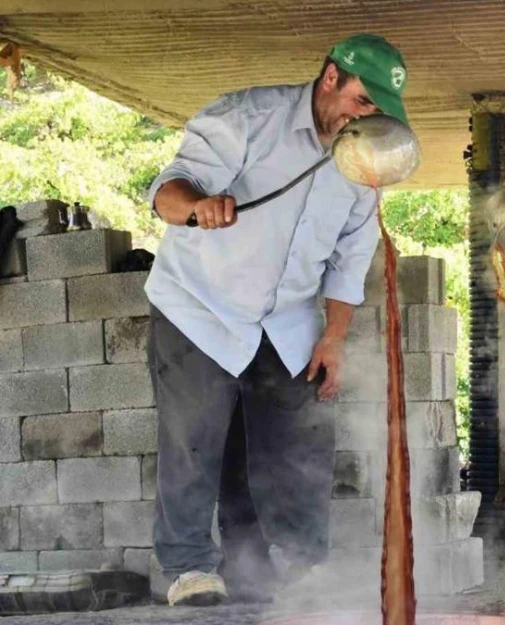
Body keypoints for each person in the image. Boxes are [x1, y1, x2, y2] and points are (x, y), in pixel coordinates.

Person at [145, 34, 409, 607]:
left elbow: (350, 256)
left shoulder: (360, 160)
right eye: (362, 102)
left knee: (297, 440)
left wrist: (334, 339)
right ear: (332, 78)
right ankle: (189, 566)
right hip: (200, 307)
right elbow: (166, 191)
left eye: (378, 111)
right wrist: (197, 206)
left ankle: (289, 567)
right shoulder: (245, 118)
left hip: (286, 321)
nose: (365, 118)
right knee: (195, 439)